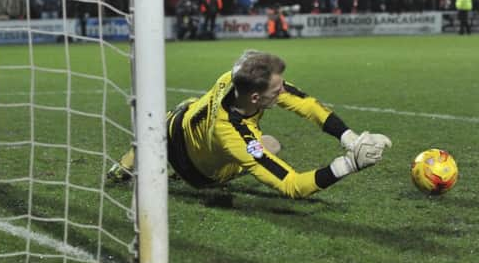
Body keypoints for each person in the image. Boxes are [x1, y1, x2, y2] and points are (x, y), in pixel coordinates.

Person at [107, 50, 392, 199]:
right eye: (277, 90)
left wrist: (351, 139)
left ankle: (124, 165)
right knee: (271, 146)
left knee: (185, 107)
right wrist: (349, 164)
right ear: (255, 97)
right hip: (199, 173)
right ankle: (173, 173)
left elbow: (306, 105)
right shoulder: (236, 135)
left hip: (172, 127)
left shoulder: (235, 79)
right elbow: (293, 186)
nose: (284, 92)